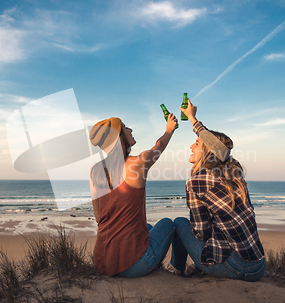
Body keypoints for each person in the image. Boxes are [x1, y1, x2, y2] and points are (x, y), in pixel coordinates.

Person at [170, 99, 265, 281]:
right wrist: (192, 119)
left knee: (180, 223)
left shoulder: (197, 182)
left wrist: (192, 117)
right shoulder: (233, 171)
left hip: (235, 268)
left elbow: (201, 233)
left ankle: (178, 273)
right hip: (259, 266)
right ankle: (191, 268)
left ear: (207, 151)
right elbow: (222, 151)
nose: (191, 146)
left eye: (196, 144)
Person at [89, 114, 178, 277]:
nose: (130, 129)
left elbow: (98, 216)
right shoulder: (137, 163)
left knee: (149, 228)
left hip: (103, 263)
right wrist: (169, 130)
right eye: (125, 127)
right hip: (135, 265)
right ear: (119, 137)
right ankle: (177, 269)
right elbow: (160, 145)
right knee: (168, 223)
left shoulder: (95, 170)